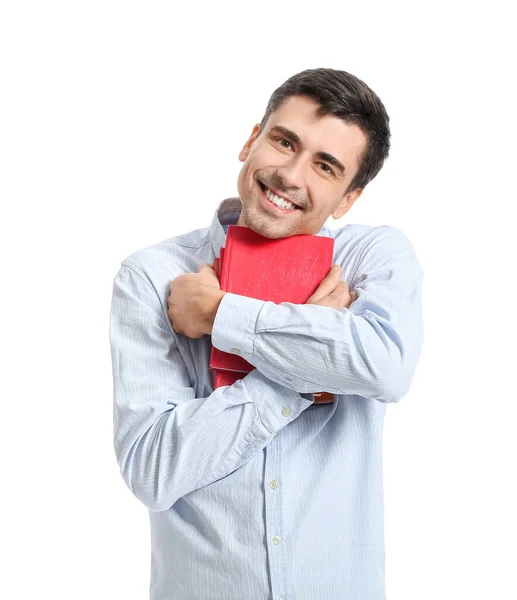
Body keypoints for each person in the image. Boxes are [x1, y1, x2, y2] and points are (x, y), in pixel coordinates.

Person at [109, 68, 424, 600]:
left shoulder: (373, 259)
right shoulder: (153, 275)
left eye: (325, 166)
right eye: (284, 142)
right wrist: (300, 377)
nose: (290, 175)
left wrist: (221, 316)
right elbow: (151, 468)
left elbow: (386, 366)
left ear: (347, 199)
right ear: (251, 140)